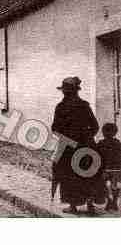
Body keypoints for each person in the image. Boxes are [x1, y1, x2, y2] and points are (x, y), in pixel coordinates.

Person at [51, 76, 104, 215]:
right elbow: (95, 126)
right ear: (76, 91)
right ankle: (90, 204)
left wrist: (67, 138)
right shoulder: (84, 105)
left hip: (68, 148)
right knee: (89, 174)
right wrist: (86, 138)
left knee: (68, 175)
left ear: (65, 91)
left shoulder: (61, 107)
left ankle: (73, 206)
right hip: (87, 146)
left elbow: (55, 128)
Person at [98, 123, 121, 211]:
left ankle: (109, 202)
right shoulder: (118, 143)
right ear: (115, 132)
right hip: (117, 169)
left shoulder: (101, 143)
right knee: (115, 186)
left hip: (105, 169)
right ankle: (114, 202)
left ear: (103, 132)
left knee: (104, 186)